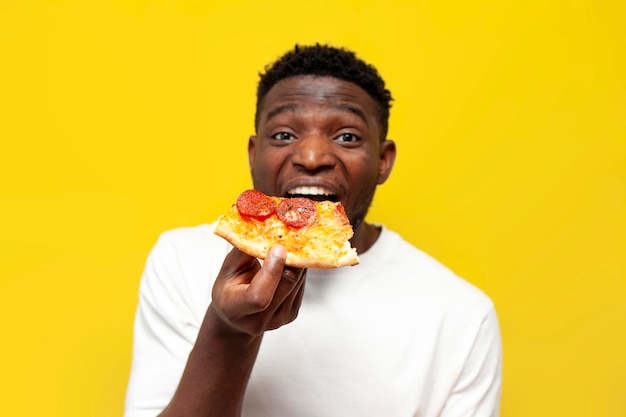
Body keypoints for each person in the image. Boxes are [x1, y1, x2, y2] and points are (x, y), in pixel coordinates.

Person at [124, 44, 503, 417]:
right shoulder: (180, 259)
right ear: (254, 154)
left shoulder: (463, 315)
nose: (312, 157)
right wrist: (228, 330)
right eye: (285, 135)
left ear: (383, 161)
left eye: (347, 137)